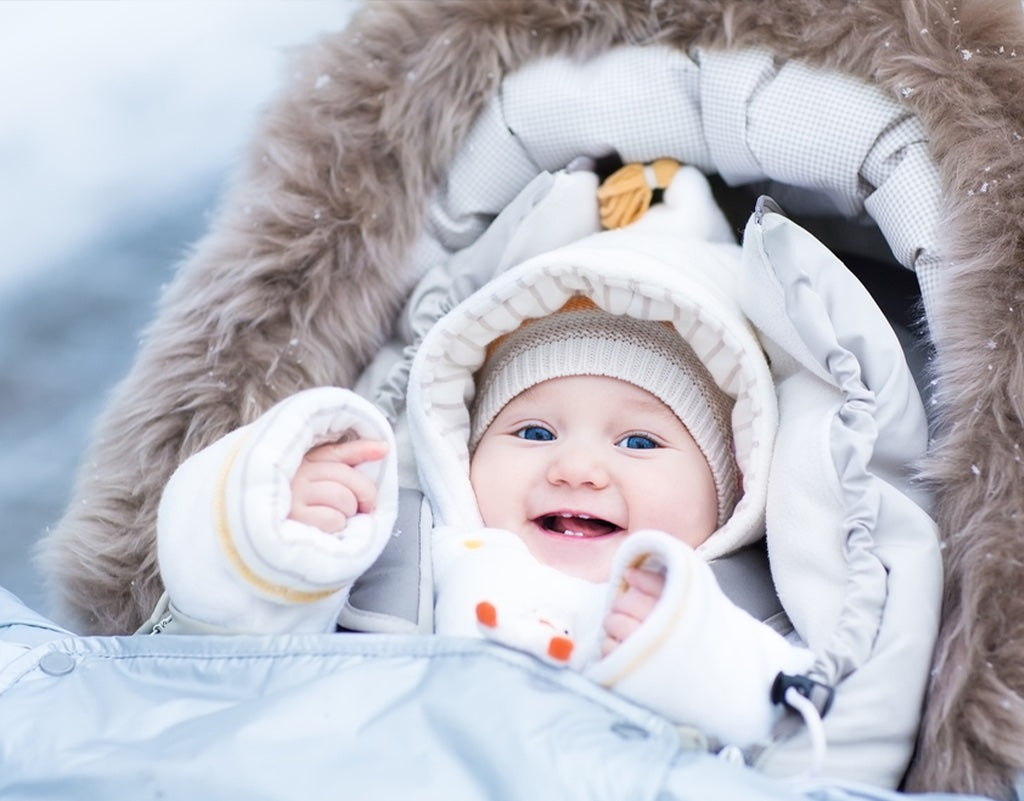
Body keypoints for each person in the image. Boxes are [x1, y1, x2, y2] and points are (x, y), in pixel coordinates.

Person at [153, 164, 822, 751]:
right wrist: (276, 535)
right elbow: (219, 653)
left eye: (639, 442)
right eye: (533, 433)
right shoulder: (399, 553)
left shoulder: (739, 610)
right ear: (459, 453)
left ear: (733, 486)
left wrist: (685, 652)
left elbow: (791, 732)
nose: (576, 468)